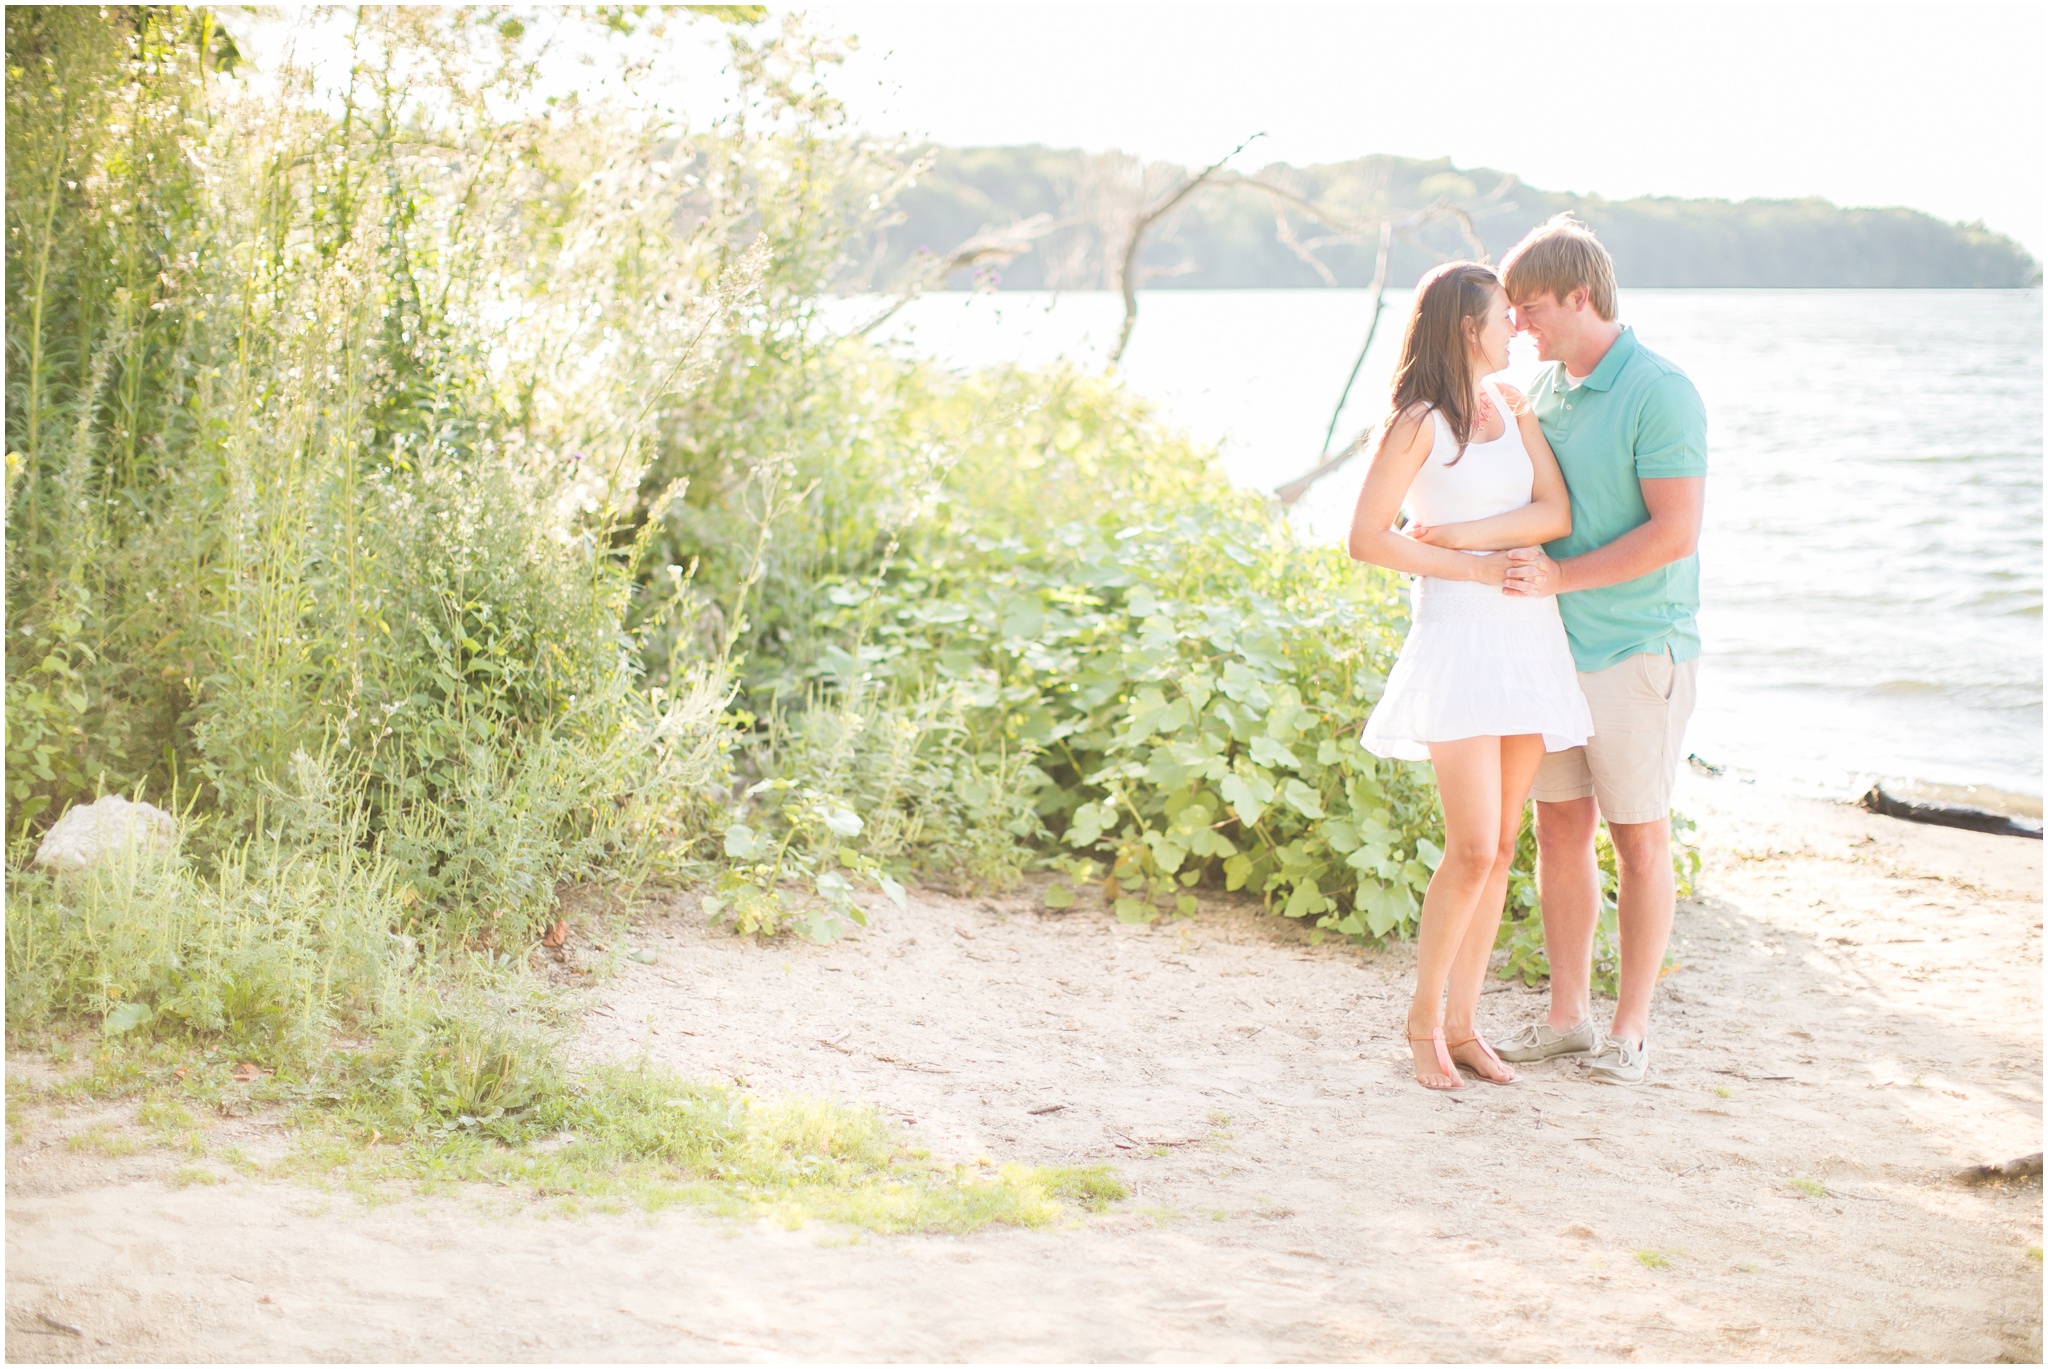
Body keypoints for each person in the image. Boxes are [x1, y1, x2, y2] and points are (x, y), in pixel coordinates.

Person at [1346, 262, 1593, 1091]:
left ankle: (1464, 1024)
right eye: (1501, 318)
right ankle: (1423, 1023)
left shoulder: (1513, 405)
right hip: (1459, 640)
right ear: (1465, 327)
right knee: (1473, 845)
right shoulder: (1418, 421)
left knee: (1501, 851)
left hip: (1528, 639)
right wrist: (1475, 569)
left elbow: (1553, 514)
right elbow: (1369, 538)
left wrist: (1460, 538)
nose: (1516, 330)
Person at [1489, 214, 1709, 1086]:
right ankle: (1568, 1019)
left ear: (1583, 297)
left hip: (1635, 652)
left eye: (1534, 310)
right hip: (1552, 656)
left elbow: (1675, 533)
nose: (1522, 329)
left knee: (1639, 838)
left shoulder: (1662, 390)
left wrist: (1558, 580)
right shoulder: (1542, 394)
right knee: (1560, 830)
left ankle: (1631, 1031)